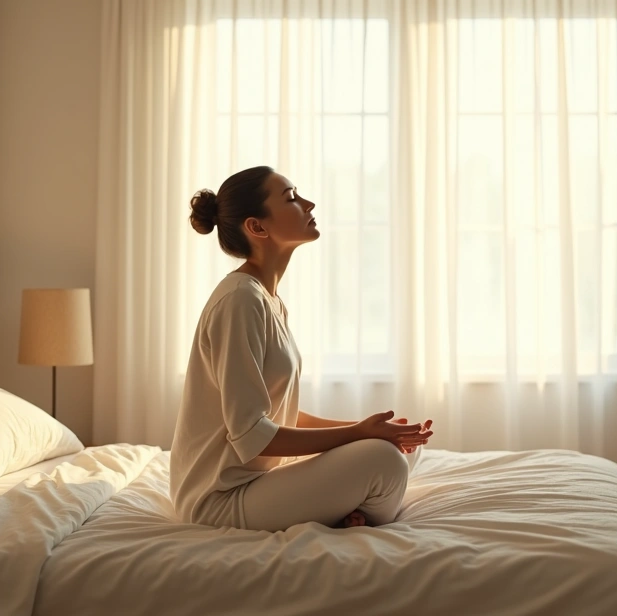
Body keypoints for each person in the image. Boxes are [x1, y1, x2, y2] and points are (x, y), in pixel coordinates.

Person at [169, 166, 435, 532]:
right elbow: (252, 437)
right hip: (220, 499)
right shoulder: (239, 301)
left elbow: (280, 416)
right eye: (292, 198)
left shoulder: (267, 298)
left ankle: (349, 509)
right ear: (257, 227)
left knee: (404, 446)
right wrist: (360, 435)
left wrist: (368, 428)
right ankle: (354, 515)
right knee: (383, 461)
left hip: (254, 482)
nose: (308, 203)